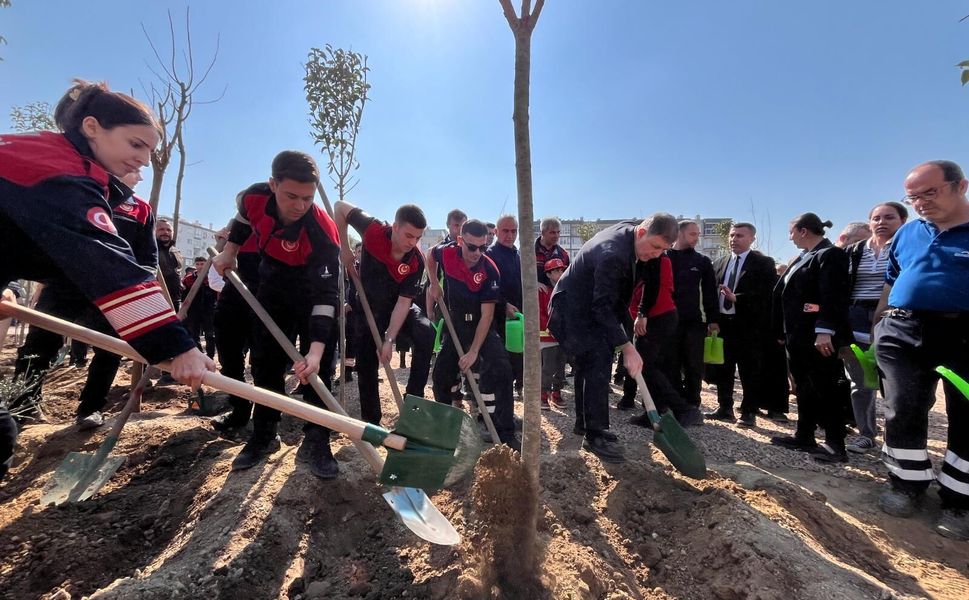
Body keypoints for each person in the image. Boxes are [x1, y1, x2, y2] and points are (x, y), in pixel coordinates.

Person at [0, 79, 211, 387]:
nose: (144, 160)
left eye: (150, 151)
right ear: (92, 127)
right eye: (136, 144)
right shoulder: (62, 174)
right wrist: (178, 345)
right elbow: (107, 261)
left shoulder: (55, 157)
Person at [213, 151, 341, 479]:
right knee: (265, 359)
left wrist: (314, 351)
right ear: (273, 185)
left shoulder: (323, 232)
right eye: (291, 196)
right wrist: (230, 252)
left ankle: (316, 437)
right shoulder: (254, 197)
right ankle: (265, 432)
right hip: (272, 283)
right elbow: (242, 221)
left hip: (313, 291)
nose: (299, 206)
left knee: (321, 367)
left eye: (307, 198)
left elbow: (326, 298)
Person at [11, 169, 158, 428]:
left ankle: (91, 408)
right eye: (134, 169)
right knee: (40, 342)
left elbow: (147, 257)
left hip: (113, 290)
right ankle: (23, 405)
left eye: (139, 171)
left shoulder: (142, 210)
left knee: (110, 350)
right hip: (66, 282)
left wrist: (140, 288)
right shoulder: (79, 192)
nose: (138, 175)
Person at [873, 160, 969, 540]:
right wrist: (879, 323)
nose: (921, 202)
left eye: (930, 192)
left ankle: (959, 500)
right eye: (913, 197)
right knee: (902, 407)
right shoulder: (910, 232)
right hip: (903, 328)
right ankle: (905, 484)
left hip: (963, 333)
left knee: (965, 414)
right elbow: (893, 277)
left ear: (960, 185)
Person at [548, 214, 678, 463]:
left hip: (594, 307)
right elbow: (602, 309)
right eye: (655, 247)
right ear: (642, 233)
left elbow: (622, 296)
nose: (657, 254)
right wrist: (628, 347)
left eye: (664, 249)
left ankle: (586, 426)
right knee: (596, 361)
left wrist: (631, 327)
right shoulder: (612, 254)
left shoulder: (637, 238)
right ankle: (595, 434)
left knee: (595, 361)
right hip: (572, 311)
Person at [333, 200, 434, 425]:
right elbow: (340, 207)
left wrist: (389, 338)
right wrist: (345, 247)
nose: (413, 242)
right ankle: (371, 421)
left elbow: (403, 303)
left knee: (426, 331)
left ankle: (413, 403)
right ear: (395, 227)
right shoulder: (373, 229)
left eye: (418, 237)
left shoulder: (415, 260)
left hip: (398, 308)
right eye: (409, 235)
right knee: (366, 363)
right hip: (367, 306)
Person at [426, 219, 520, 450]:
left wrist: (473, 352)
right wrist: (433, 283)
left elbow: (487, 316)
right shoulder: (446, 253)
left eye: (483, 247)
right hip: (455, 323)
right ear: (460, 241)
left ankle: (505, 431)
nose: (477, 252)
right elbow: (429, 254)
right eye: (471, 247)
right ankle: (446, 431)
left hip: (481, 326)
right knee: (440, 375)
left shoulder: (490, 270)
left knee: (502, 369)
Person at [770, 213, 851, 463]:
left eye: (792, 231)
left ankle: (835, 444)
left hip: (818, 337)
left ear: (803, 231)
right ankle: (804, 435)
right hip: (797, 336)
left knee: (826, 389)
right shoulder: (803, 257)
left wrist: (824, 329)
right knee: (804, 388)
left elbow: (833, 296)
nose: (790, 237)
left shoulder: (830, 255)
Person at [841, 202, 908, 453]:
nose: (882, 222)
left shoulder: (907, 248)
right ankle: (866, 433)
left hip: (894, 319)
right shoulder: (855, 251)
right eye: (876, 218)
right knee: (859, 382)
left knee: (896, 385)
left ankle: (899, 440)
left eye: (889, 217)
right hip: (856, 317)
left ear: (902, 221)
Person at [706, 223, 778, 427]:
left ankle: (748, 412)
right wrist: (713, 320)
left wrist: (737, 298)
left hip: (748, 326)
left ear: (751, 239)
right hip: (722, 325)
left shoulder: (763, 263)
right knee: (723, 368)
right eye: (731, 235)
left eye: (739, 235)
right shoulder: (720, 262)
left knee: (749, 370)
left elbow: (767, 294)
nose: (734, 239)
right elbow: (711, 295)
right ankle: (724, 408)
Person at [210, 221, 262, 432]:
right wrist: (223, 245)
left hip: (266, 298)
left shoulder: (276, 228)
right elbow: (215, 276)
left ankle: (265, 422)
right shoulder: (234, 234)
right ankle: (240, 407)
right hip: (234, 297)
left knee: (264, 364)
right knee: (228, 357)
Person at [664, 220, 719, 410]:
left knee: (693, 365)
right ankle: (675, 402)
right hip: (667, 322)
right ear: (679, 233)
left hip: (694, 323)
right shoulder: (663, 258)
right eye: (693, 234)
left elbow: (710, 292)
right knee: (670, 363)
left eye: (698, 234)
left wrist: (713, 319)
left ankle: (693, 403)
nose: (697, 238)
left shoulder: (702, 262)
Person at [486, 214, 525, 398]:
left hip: (517, 320)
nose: (510, 235)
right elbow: (486, 288)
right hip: (496, 320)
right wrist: (504, 305)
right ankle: (495, 413)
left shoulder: (518, 255)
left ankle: (504, 409)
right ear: (496, 232)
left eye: (513, 231)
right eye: (505, 231)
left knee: (515, 362)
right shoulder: (489, 256)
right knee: (498, 367)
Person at [539, 258, 568, 409]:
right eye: (556, 271)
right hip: (547, 337)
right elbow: (541, 314)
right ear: (548, 274)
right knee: (548, 368)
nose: (560, 273)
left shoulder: (565, 290)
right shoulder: (543, 291)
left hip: (562, 337)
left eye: (562, 270)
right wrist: (552, 327)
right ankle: (543, 395)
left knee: (561, 368)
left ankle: (556, 393)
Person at [181, 257, 217, 359]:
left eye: (202, 264)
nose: (200, 266)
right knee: (194, 335)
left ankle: (210, 357)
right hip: (193, 311)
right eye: (198, 264)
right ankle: (199, 356)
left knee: (210, 335)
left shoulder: (211, 277)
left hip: (209, 310)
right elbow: (184, 295)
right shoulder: (188, 279)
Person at [155, 218, 184, 312]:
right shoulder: (149, 249)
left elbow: (177, 272)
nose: (165, 232)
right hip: (156, 299)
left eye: (168, 230)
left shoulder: (176, 251)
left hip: (175, 299)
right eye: (161, 229)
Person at [535, 217, 570, 290]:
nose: (556, 236)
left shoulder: (564, 255)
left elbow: (568, 278)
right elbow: (519, 275)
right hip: (534, 298)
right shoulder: (529, 253)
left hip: (557, 298)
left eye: (558, 232)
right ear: (543, 232)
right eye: (552, 232)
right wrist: (533, 284)